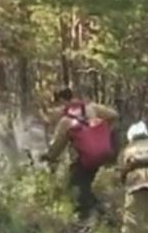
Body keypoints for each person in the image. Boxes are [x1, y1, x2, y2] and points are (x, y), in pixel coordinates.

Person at [40, 91, 119, 224]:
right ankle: (99, 215)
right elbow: (114, 115)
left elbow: (58, 145)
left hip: (85, 159)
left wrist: (49, 157)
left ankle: (94, 217)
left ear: (62, 101)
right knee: (84, 184)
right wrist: (102, 131)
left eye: (57, 104)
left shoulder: (66, 121)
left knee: (75, 187)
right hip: (101, 155)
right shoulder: (91, 107)